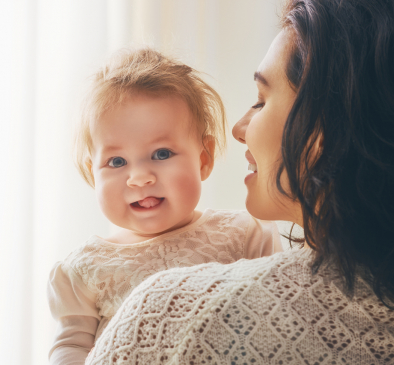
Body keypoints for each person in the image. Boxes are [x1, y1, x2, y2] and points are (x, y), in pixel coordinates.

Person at [85, 0, 394, 364]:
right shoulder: (84, 270)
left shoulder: (169, 316)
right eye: (116, 161)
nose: (239, 128)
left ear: (323, 129)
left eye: (261, 102)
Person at [47, 48, 283, 365]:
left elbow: (279, 320)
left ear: (203, 158)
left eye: (161, 154)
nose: (140, 177)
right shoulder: (85, 268)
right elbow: (71, 347)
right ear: (94, 173)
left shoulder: (244, 235)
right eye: (117, 161)